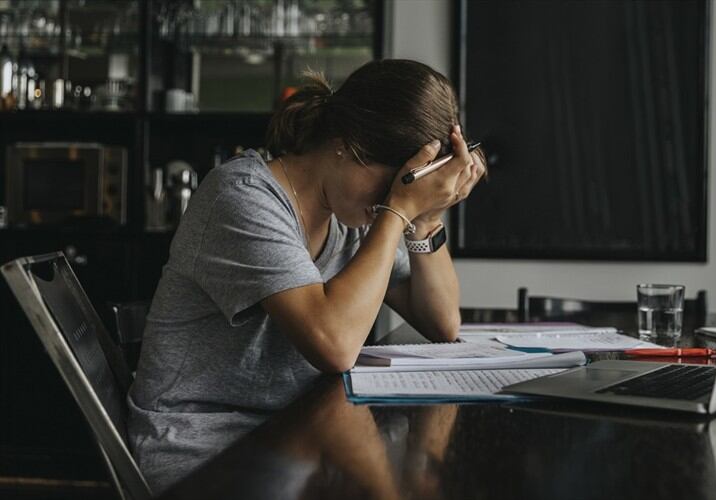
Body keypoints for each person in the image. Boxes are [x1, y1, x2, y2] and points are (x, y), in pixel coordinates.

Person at [127, 59, 485, 491]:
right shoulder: (242, 197)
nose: (387, 203)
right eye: (390, 186)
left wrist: (426, 218)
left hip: (300, 438)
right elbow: (333, 345)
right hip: (205, 453)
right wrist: (397, 210)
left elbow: (442, 323)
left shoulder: (355, 218)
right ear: (342, 144)